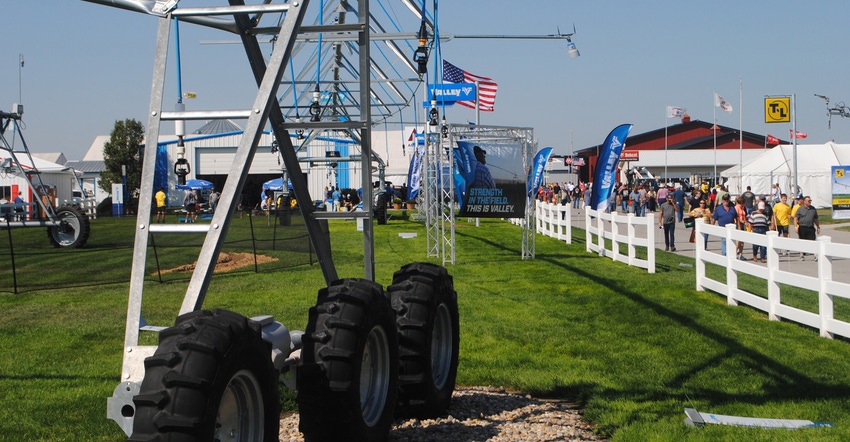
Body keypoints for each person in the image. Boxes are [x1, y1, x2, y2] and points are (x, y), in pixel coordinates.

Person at [795, 195, 820, 261]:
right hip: (802, 227)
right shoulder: (800, 209)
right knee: (802, 241)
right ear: (804, 202)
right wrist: (796, 227)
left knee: (813, 241)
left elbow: (816, 219)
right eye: (808, 201)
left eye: (810, 200)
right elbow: (796, 218)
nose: (810, 202)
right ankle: (801, 255)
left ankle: (815, 255)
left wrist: (818, 227)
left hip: (810, 227)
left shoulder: (813, 209)